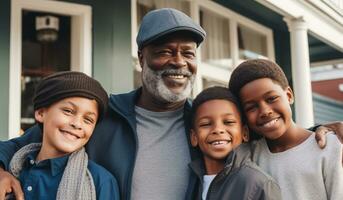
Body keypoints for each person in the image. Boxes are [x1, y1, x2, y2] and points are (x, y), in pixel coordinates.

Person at [0, 8, 341, 200]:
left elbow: (268, 134)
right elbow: (15, 148)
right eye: (164, 51)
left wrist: (318, 132)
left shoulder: (205, 125)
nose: (178, 61)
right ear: (141, 58)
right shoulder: (102, 115)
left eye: (187, 53)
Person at [228, 59, 343, 200]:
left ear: (289, 95)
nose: (265, 111)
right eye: (251, 107)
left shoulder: (331, 147)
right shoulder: (247, 157)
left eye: (271, 99)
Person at [5, 71, 120, 200]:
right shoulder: (10, 168)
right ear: (41, 113)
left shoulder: (101, 181)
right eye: (68, 111)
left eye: (88, 120)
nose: (77, 124)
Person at [186, 86, 281, 200]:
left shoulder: (259, 184)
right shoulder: (193, 182)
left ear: (244, 133)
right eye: (206, 124)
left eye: (228, 122)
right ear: (194, 137)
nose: (218, 129)